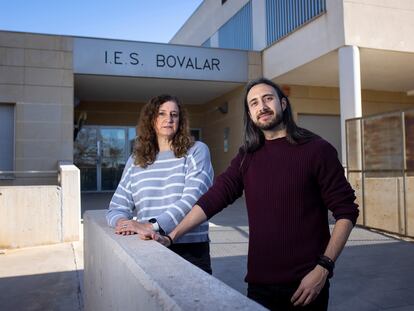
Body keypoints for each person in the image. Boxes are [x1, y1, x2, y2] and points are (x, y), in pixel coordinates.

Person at [143, 78, 359, 310]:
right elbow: (214, 198)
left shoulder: (317, 150)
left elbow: (346, 211)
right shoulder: (248, 156)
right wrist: (171, 236)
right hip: (259, 285)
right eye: (254, 103)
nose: (262, 106)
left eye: (268, 99)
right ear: (250, 112)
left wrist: (323, 268)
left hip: (306, 284)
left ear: (283, 104)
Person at [106, 94, 214, 274]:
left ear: (180, 120)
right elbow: (117, 206)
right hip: (149, 246)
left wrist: (152, 225)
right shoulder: (136, 160)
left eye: (174, 114)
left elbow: (193, 200)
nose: (168, 119)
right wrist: (123, 223)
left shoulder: (196, 151)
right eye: (161, 114)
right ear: (151, 120)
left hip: (190, 249)